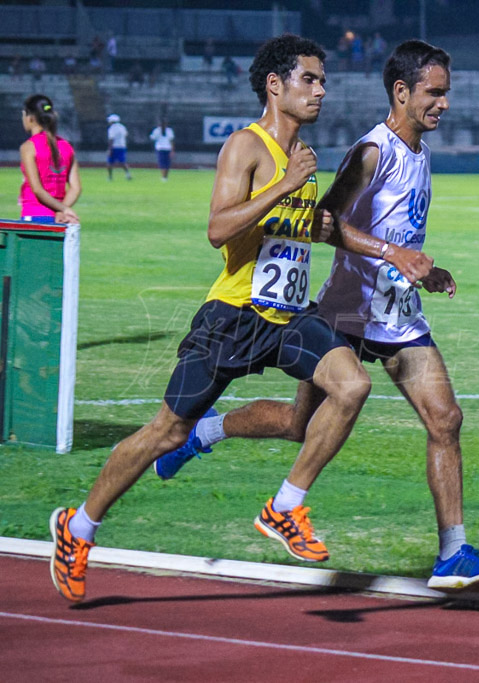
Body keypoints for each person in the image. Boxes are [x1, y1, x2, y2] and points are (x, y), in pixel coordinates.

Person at [155, 39, 479, 595]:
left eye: (446, 93)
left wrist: (423, 268)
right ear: (402, 92)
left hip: (397, 314)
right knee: (300, 427)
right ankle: (206, 431)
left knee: (446, 419)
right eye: (434, 93)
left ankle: (452, 552)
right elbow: (325, 222)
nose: (444, 103)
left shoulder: (420, 150)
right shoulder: (373, 151)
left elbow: (399, 230)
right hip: (347, 310)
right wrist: (395, 255)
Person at [48, 34, 368, 604]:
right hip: (233, 316)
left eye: (323, 81)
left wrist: (385, 252)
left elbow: (300, 233)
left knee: (352, 385)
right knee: (163, 432)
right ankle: (78, 529)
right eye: (310, 79)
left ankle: (285, 507)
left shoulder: (304, 161)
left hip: (289, 316)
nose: (321, 90)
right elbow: (219, 229)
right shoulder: (247, 148)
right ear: (277, 84)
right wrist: (286, 185)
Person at [19, 94, 80, 224]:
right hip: (62, 220)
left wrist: (63, 209)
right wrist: (61, 210)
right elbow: (76, 188)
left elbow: (37, 189)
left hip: (34, 216)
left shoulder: (29, 147)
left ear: (30, 118)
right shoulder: (67, 146)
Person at [106, 114, 131, 181]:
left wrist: (109, 149)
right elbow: (126, 134)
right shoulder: (122, 127)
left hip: (114, 147)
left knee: (110, 162)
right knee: (122, 162)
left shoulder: (112, 128)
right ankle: (128, 174)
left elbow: (111, 139)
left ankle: (110, 177)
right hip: (122, 146)